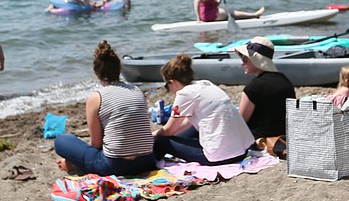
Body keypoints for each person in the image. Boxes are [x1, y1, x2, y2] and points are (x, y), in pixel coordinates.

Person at [53, 40, 157, 176]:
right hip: (146, 161)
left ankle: (73, 164)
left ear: (96, 73)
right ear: (119, 69)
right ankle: (74, 163)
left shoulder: (96, 97)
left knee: (62, 140)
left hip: (115, 166)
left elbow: (96, 144)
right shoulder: (136, 90)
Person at [154, 54, 256, 165]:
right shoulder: (206, 84)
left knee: (160, 141)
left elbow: (168, 130)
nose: (168, 90)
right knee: (184, 133)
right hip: (242, 150)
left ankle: (151, 164)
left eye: (166, 86)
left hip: (221, 156)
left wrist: (151, 135)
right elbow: (187, 123)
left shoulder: (185, 93)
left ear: (172, 82)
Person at [235, 36, 296, 139]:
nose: (242, 63)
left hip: (258, 142)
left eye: (245, 59)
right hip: (283, 140)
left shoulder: (254, 87)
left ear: (256, 60)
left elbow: (239, 124)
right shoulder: (285, 81)